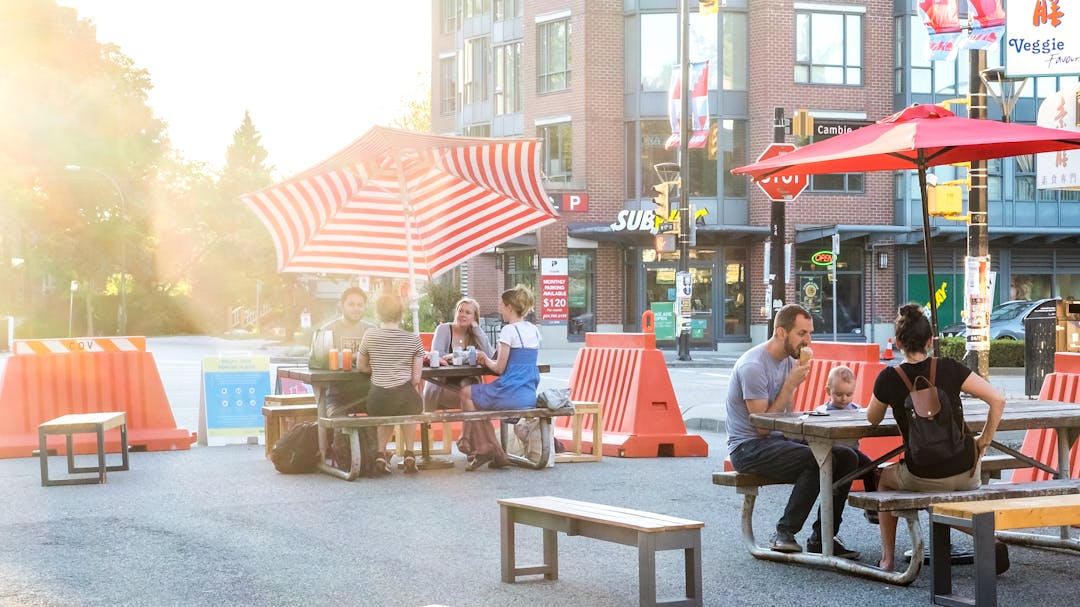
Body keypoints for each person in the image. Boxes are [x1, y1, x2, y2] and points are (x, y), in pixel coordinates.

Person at [867, 303, 1005, 572]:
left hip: (922, 474)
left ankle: (886, 560)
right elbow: (998, 399)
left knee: (884, 481)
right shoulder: (951, 368)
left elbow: (872, 418)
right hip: (967, 470)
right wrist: (983, 441)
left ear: (897, 343)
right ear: (930, 342)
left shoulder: (888, 378)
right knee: (942, 491)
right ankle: (984, 535)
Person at [725, 303, 862, 559]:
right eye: (802, 333)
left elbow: (786, 418)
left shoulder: (789, 361)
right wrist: (789, 386)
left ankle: (823, 537)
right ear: (781, 332)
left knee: (849, 456)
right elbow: (761, 426)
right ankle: (784, 532)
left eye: (809, 333)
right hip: (748, 447)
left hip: (775, 439)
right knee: (818, 460)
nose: (808, 340)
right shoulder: (753, 366)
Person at [459, 285, 541, 471]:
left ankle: (484, 448)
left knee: (466, 393)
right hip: (528, 394)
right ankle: (490, 448)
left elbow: (499, 367)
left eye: (502, 306)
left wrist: (484, 358)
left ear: (510, 308)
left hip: (509, 392)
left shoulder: (508, 331)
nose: (500, 309)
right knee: (474, 397)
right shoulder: (534, 330)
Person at [356, 293, 427, 475]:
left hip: (378, 398)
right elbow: (416, 379)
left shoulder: (370, 335)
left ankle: (381, 454)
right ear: (401, 314)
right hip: (405, 396)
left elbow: (361, 367)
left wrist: (381, 370)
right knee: (408, 409)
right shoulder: (414, 339)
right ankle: (409, 453)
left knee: (385, 411)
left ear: (378, 313)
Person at [317, 287, 376, 465]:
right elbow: (317, 363)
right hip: (336, 395)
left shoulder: (371, 330)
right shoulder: (327, 330)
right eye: (351, 304)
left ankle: (374, 458)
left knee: (382, 407)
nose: (356, 308)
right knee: (340, 421)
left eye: (360, 305)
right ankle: (342, 459)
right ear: (341, 306)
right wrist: (353, 357)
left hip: (366, 393)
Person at [815, 365, 879, 522]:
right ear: (828, 391)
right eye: (838, 394)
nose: (844, 399)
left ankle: (871, 507)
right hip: (831, 455)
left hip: (853, 455)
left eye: (849, 394)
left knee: (871, 467)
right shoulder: (822, 411)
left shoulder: (856, 409)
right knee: (834, 487)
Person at [422, 298, 495, 412]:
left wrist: (476, 328)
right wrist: (469, 355)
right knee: (469, 393)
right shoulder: (443, 329)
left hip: (467, 384)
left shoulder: (475, 334)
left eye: (467, 312)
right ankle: (471, 427)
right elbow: (439, 357)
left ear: (474, 317)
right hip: (443, 384)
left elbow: (489, 356)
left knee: (468, 386)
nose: (462, 315)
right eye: (460, 311)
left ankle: (471, 428)